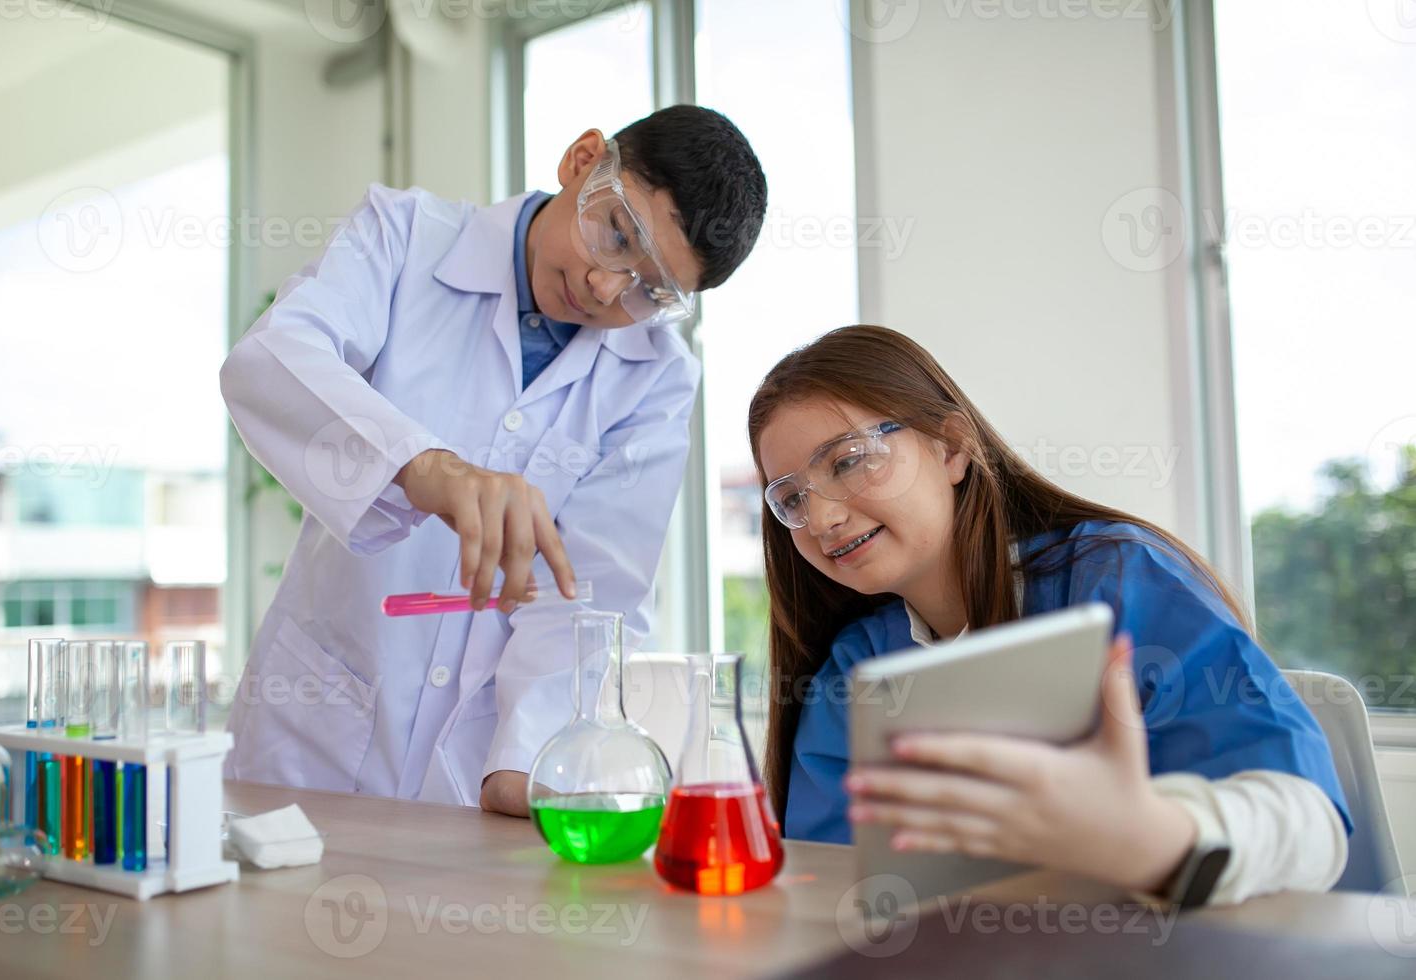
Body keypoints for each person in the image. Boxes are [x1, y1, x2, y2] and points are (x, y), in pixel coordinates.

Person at [220, 105, 766, 815]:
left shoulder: (659, 377)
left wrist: (524, 765)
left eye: (650, 290)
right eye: (616, 233)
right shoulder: (406, 236)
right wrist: (425, 467)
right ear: (582, 159)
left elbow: (591, 591)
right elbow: (273, 358)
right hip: (308, 741)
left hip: (479, 779)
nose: (608, 288)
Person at [748, 324, 1350, 904]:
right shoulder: (857, 667)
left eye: (849, 461)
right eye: (793, 497)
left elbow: (1310, 823)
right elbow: (826, 886)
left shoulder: (1116, 581)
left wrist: (1146, 838)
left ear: (952, 447)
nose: (821, 517)